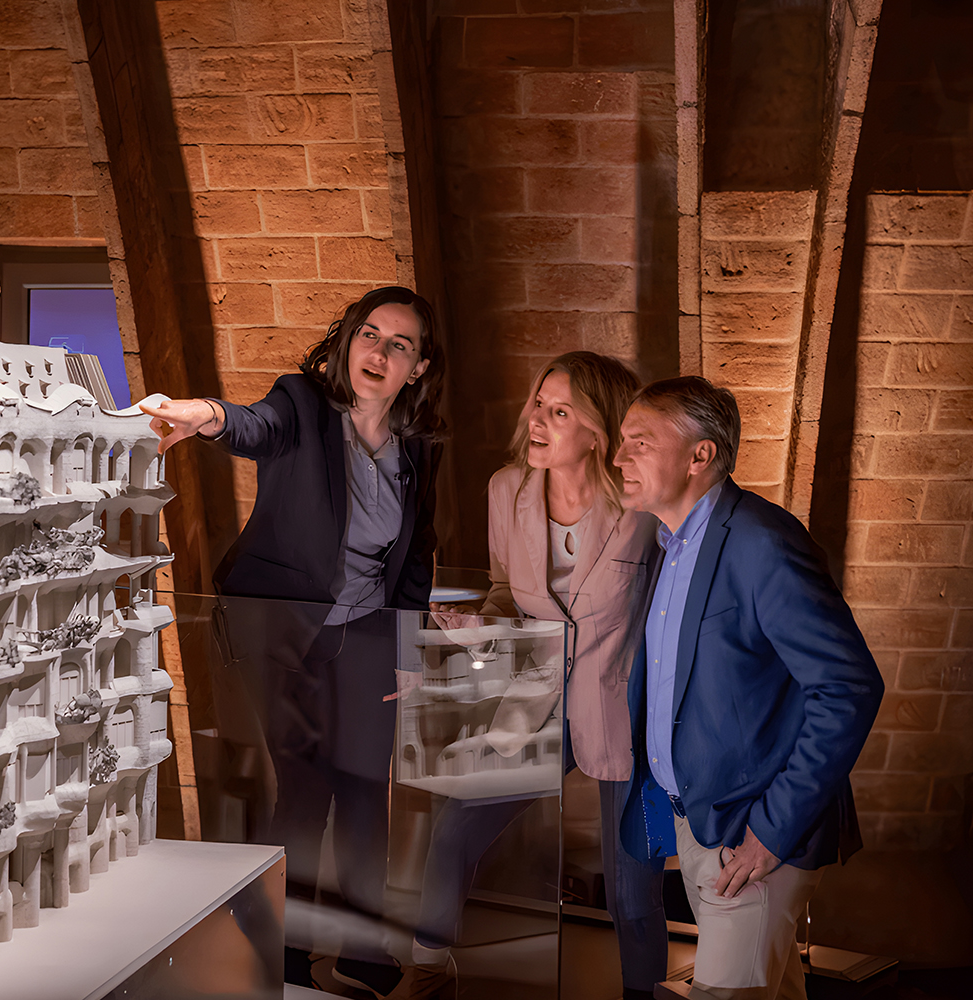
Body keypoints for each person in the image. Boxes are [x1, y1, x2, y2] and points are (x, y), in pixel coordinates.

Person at [143, 286, 446, 996]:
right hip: (279, 628)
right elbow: (253, 425)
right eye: (369, 334)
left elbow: (417, 552)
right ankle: (275, 945)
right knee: (304, 792)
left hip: (369, 632)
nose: (378, 352)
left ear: (419, 368)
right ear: (348, 340)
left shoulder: (418, 449)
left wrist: (410, 643)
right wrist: (204, 416)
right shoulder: (302, 404)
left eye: (398, 344)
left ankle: (363, 949)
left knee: (369, 793)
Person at [401, 352, 667, 1000]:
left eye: (558, 411)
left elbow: (669, 613)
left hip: (622, 710)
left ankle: (643, 995)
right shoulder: (506, 489)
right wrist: (476, 633)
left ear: (600, 430)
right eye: (537, 404)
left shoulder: (645, 506)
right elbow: (503, 593)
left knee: (632, 890)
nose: (537, 420)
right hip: (534, 693)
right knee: (455, 825)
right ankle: (426, 971)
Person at [613, 377, 884, 1000]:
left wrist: (770, 832)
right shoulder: (668, 545)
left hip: (755, 835)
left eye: (639, 442)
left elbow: (848, 687)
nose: (619, 458)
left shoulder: (763, 543)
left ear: (699, 456)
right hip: (701, 822)